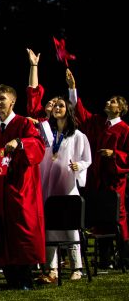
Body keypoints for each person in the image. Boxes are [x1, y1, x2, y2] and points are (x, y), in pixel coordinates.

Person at [0, 84, 45, 290]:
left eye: (3, 99)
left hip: (21, 187)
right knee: (2, 230)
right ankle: (10, 277)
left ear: (12, 101)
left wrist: (20, 142)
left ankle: (25, 278)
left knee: (22, 231)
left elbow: (38, 145)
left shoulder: (24, 123)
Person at [66, 69, 129, 266]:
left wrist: (114, 155)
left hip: (113, 180)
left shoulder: (125, 129)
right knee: (100, 216)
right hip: (97, 179)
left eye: (112, 102)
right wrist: (72, 88)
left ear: (120, 109)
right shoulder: (98, 123)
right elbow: (80, 113)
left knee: (116, 216)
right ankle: (104, 258)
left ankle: (124, 257)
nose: (108, 103)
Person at [37, 98, 91, 283]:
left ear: (68, 110)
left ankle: (77, 267)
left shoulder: (77, 135)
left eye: (61, 105)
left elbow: (87, 158)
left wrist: (79, 165)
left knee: (71, 228)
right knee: (50, 228)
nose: (57, 108)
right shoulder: (48, 135)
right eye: (55, 106)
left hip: (67, 185)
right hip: (49, 186)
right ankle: (52, 269)